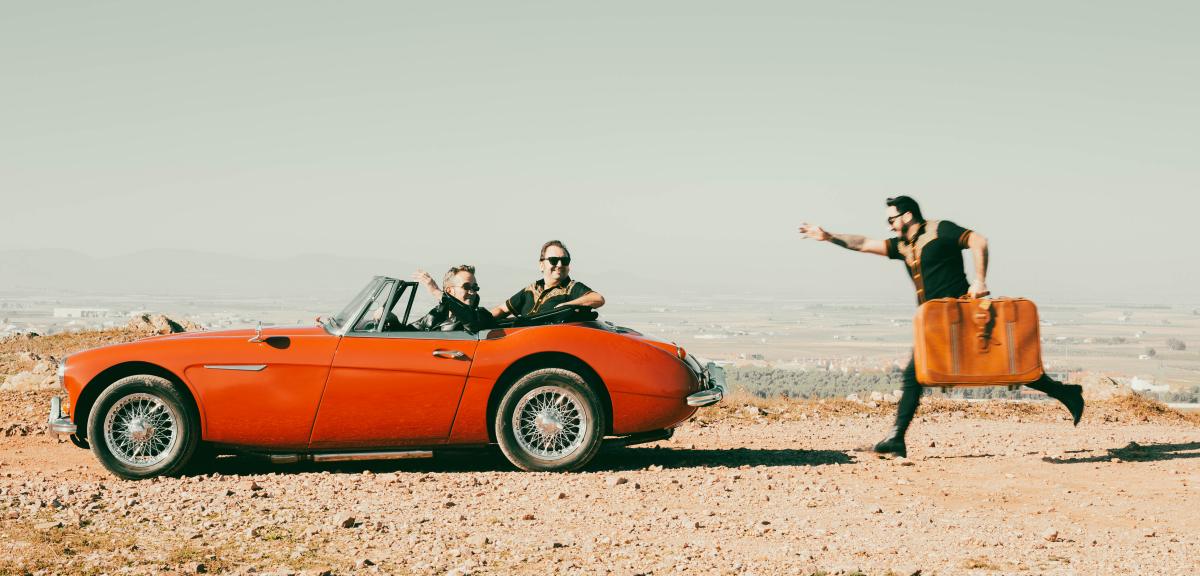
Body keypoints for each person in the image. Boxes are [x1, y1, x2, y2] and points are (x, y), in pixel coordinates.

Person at [798, 195, 1084, 458]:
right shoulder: (903, 246)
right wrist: (829, 236)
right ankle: (896, 438)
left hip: (959, 314)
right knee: (916, 374)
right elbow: (863, 243)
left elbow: (979, 241)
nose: (889, 226)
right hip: (935, 322)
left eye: (891, 219)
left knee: (1003, 366)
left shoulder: (940, 230)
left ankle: (1068, 394)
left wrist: (980, 280)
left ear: (907, 216)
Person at [490, 240, 605, 319]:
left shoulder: (571, 288)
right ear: (541, 265)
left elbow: (597, 299)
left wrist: (566, 306)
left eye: (564, 261)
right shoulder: (530, 290)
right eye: (554, 260)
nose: (560, 265)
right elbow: (502, 309)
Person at [408, 265, 489, 331]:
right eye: (466, 286)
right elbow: (408, 332)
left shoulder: (481, 315)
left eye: (475, 287)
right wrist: (394, 320)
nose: (472, 292)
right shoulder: (436, 314)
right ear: (449, 291)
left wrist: (436, 292)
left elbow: (471, 322)